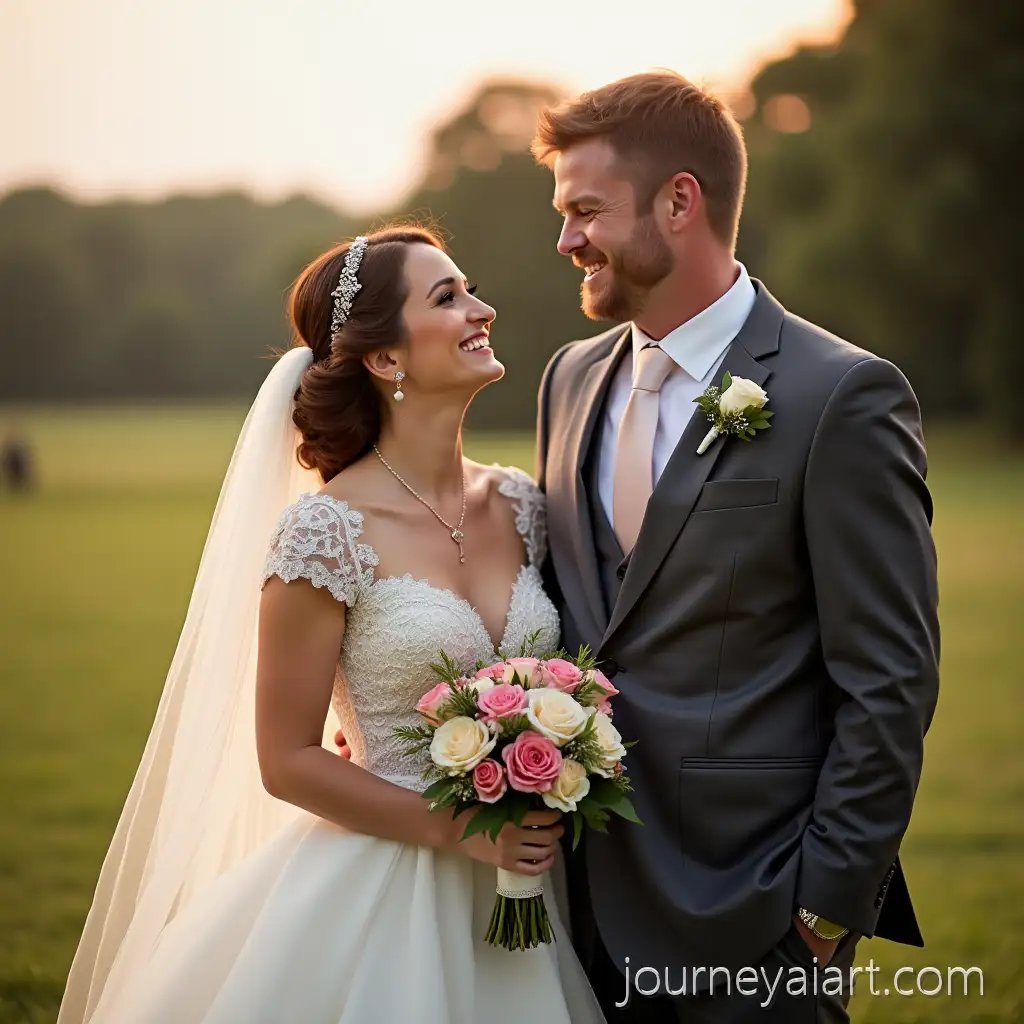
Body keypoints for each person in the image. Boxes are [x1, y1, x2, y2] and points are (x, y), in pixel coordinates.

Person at [57, 226, 605, 1024]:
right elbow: (286, 761)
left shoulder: (522, 503)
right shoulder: (323, 532)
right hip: (386, 890)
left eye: (469, 289)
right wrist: (465, 830)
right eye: (447, 298)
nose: (480, 309)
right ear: (385, 361)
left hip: (525, 888)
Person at [532, 72, 940, 1022]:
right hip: (572, 908)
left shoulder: (841, 396)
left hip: (755, 917)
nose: (565, 240)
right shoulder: (568, 379)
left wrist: (823, 911)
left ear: (681, 201)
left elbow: (889, 678)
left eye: (586, 210)